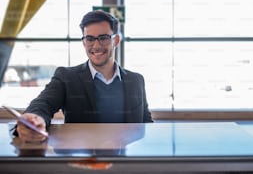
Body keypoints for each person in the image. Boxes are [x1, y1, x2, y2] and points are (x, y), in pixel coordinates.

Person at [15, 10, 153, 143]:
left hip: (127, 162)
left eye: (104, 38)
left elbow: (147, 124)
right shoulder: (66, 77)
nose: (96, 45)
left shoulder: (136, 80)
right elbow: (43, 103)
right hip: (83, 161)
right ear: (84, 42)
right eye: (90, 39)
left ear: (116, 40)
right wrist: (34, 119)